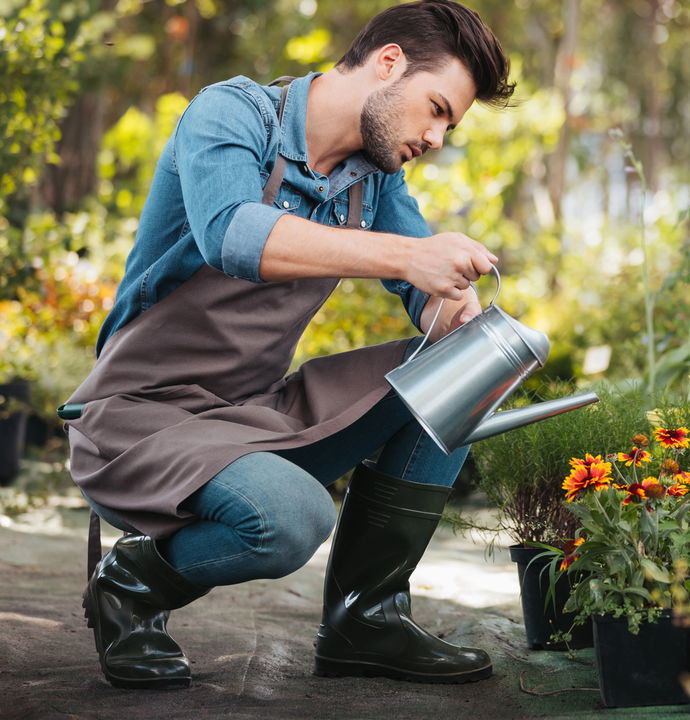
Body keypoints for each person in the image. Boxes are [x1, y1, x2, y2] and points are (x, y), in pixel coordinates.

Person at [64, 0, 515, 690]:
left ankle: (365, 618)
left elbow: (425, 285)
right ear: (388, 62)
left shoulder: (374, 178)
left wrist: (449, 310)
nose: (436, 136)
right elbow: (233, 235)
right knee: (289, 519)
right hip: (142, 415)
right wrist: (405, 257)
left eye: (447, 123)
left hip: (252, 413)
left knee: (464, 366)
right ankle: (131, 582)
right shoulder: (233, 115)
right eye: (436, 109)